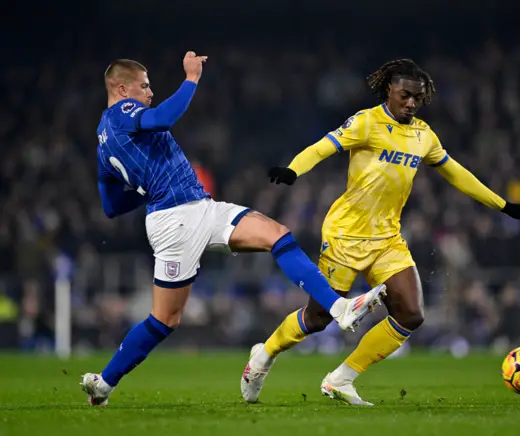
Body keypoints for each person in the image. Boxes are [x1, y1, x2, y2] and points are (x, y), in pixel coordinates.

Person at [81, 51, 386, 406]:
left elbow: (111, 206)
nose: (150, 93)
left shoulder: (103, 142)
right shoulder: (122, 112)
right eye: (145, 86)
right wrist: (191, 77)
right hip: (176, 220)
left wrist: (146, 187)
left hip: (196, 209)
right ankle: (105, 381)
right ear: (121, 88)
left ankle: (339, 308)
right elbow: (163, 117)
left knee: (277, 234)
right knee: (166, 318)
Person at [241, 58, 520, 406]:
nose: (411, 103)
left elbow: (456, 173)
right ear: (390, 90)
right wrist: (294, 170)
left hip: (387, 238)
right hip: (345, 235)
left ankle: (341, 379)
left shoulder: (423, 135)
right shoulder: (366, 122)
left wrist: (503, 205)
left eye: (418, 97)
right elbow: (324, 145)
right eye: (405, 95)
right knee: (318, 318)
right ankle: (263, 355)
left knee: (411, 313)